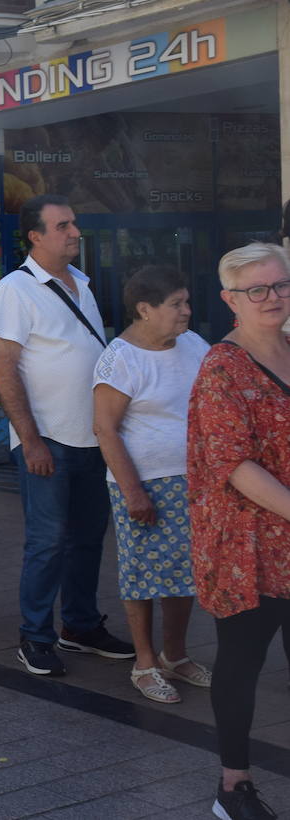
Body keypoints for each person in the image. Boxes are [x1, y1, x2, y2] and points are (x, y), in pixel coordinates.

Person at [0, 194, 135, 676]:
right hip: (47, 439)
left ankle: (80, 625)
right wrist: (29, 439)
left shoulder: (83, 285)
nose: (75, 232)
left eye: (74, 223)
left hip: (93, 438)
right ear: (35, 235)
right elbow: (4, 368)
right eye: (63, 225)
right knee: (47, 542)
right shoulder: (16, 289)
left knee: (89, 538)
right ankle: (35, 636)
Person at [186, 243, 290, 820]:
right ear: (230, 299)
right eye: (257, 290)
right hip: (248, 544)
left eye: (279, 285)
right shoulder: (221, 367)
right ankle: (234, 787)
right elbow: (233, 463)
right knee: (242, 663)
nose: (271, 298)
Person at [91, 266, 212, 704]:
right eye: (176, 304)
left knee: (186, 573)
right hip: (143, 485)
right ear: (145, 309)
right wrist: (133, 492)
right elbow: (105, 429)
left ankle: (174, 656)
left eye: (186, 302)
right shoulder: (121, 358)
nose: (187, 311)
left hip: (195, 481)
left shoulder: (194, 344)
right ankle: (145, 664)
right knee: (143, 576)